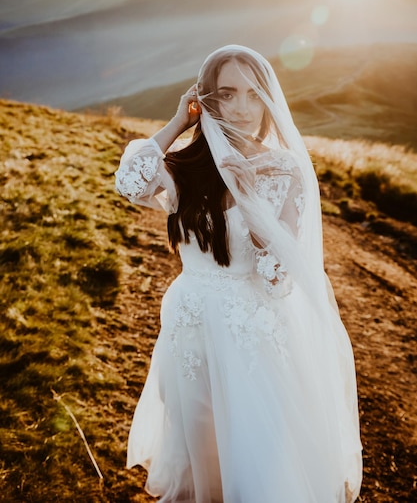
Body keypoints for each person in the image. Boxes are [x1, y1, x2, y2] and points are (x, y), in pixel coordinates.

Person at [115, 45, 362, 503]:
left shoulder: (285, 169)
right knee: (202, 450)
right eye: (227, 94)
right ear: (206, 99)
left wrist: (252, 202)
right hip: (190, 322)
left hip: (254, 332)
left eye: (254, 94)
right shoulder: (184, 166)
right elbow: (129, 182)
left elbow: (277, 279)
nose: (244, 108)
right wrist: (179, 123)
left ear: (269, 99)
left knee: (257, 456)